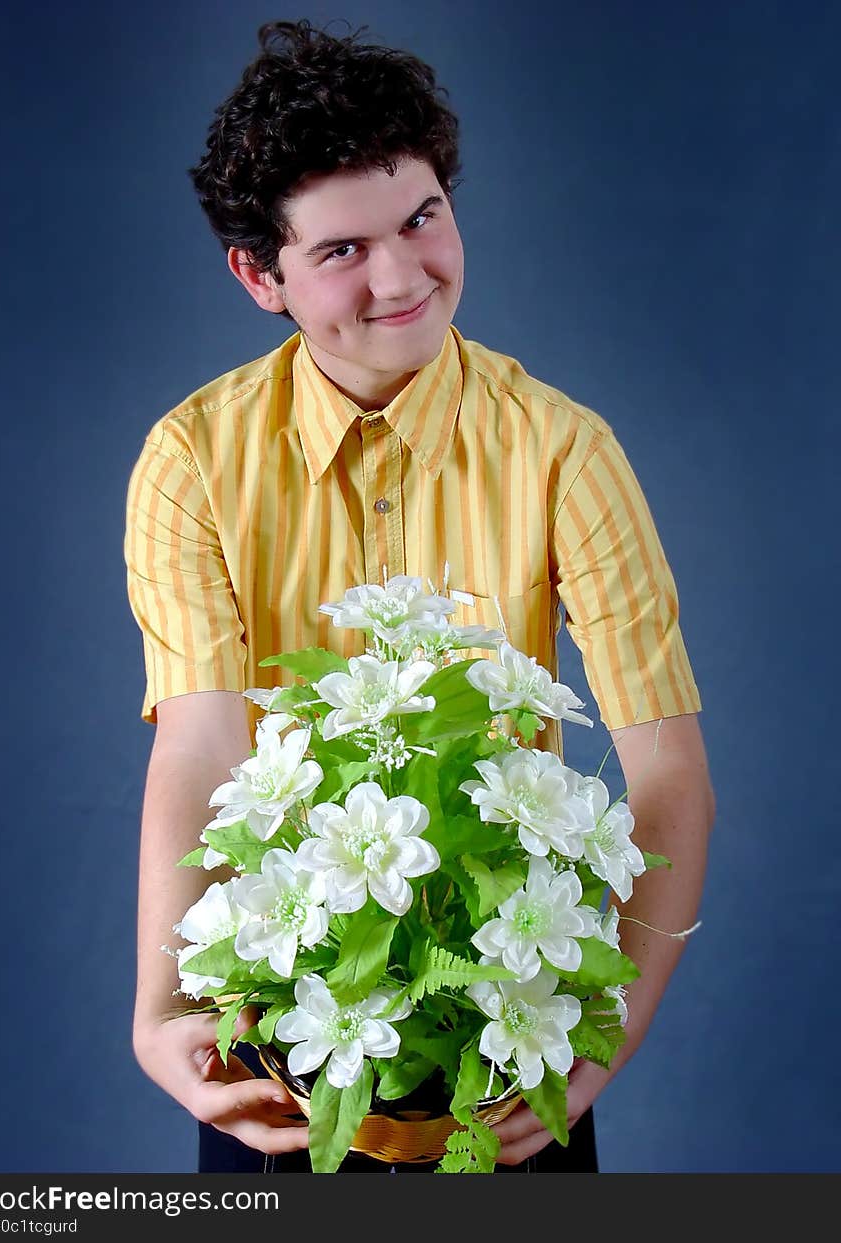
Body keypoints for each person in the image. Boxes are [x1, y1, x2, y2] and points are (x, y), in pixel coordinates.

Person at [124, 18, 714, 1174]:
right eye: (342, 250)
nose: (403, 275)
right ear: (261, 275)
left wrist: (607, 1032)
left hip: (510, 1036)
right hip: (283, 1038)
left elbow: (667, 768)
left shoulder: (564, 451)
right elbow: (201, 748)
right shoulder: (190, 459)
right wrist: (159, 1008)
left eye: (421, 218)